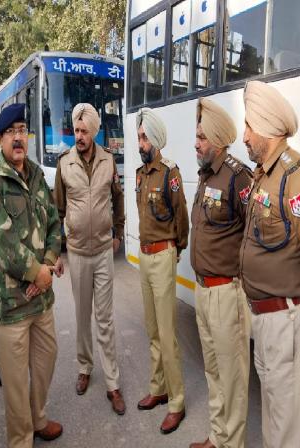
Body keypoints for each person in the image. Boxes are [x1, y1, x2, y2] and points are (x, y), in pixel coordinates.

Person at [239, 80, 300, 448]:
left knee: (284, 423)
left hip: (285, 317)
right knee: (274, 415)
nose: (244, 136)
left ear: (267, 128)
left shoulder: (296, 176)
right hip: (265, 318)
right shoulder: (265, 174)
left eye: (248, 126)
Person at [0, 103, 64, 447]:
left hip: (40, 301)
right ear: (0, 139)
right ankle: (20, 439)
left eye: (22, 130)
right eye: (11, 132)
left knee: (46, 363)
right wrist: (36, 272)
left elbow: (55, 223)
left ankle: (38, 418)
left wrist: (51, 258)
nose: (18, 138)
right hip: (10, 304)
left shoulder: (38, 175)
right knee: (14, 386)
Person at [188, 98, 253, 448]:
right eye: (195, 135)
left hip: (227, 294)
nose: (195, 143)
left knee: (233, 380)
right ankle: (218, 437)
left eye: (200, 137)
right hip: (203, 291)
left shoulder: (238, 176)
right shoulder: (205, 174)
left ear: (216, 138)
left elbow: (255, 234)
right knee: (213, 372)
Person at [53, 104, 125, 414]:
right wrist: (57, 248)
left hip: (103, 253)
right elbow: (57, 210)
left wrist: (118, 232)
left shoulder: (108, 160)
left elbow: (118, 197)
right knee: (83, 317)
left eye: (84, 131)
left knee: (105, 319)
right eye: (76, 130)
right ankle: (85, 368)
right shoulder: (64, 164)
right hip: (79, 254)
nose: (79, 136)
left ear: (94, 132)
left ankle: (112, 382)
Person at [134, 107, 189, 433]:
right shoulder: (141, 175)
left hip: (163, 255)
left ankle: (177, 402)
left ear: (155, 139)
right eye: (139, 137)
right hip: (144, 257)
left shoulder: (171, 173)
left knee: (168, 336)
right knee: (153, 330)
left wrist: (174, 249)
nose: (139, 143)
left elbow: (182, 219)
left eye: (143, 137)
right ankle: (158, 388)